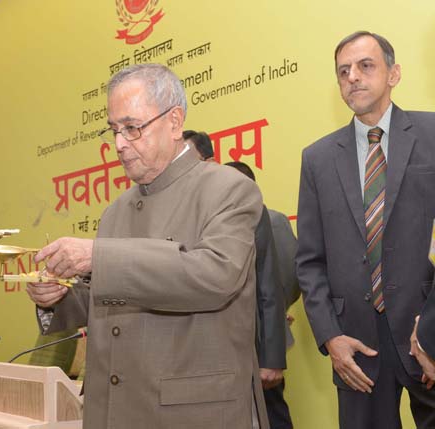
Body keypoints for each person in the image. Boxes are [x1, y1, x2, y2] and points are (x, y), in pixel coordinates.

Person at [26, 63, 268, 429]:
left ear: (174, 122)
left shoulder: (228, 189)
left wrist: (97, 257)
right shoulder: (115, 211)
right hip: (114, 411)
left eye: (132, 128)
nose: (120, 144)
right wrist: (55, 297)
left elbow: (216, 276)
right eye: (114, 131)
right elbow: (106, 302)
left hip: (192, 414)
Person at [296, 31, 435, 428]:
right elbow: (309, 261)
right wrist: (330, 338)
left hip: (426, 332)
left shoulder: (432, 134)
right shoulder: (317, 159)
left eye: (365, 66)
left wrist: (432, 331)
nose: (353, 77)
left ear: (394, 74)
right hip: (356, 346)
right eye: (343, 71)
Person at [226, 161, 294, 429]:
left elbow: (287, 275)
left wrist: (275, 316)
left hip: (264, 340)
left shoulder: (272, 220)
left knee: (272, 413)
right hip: (231, 344)